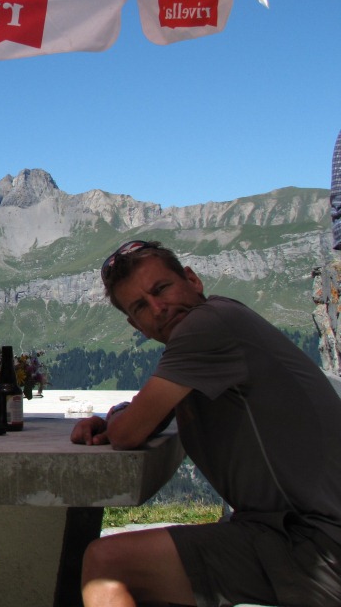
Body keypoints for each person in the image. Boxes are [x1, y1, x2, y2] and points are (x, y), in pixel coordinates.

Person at [71, 240, 341, 607]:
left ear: (192, 280)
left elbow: (128, 433)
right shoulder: (217, 323)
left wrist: (116, 421)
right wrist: (117, 417)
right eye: (140, 307)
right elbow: (147, 415)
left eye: (161, 289)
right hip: (293, 531)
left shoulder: (207, 325)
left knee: (108, 563)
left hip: (316, 544)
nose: (158, 308)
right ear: (136, 325)